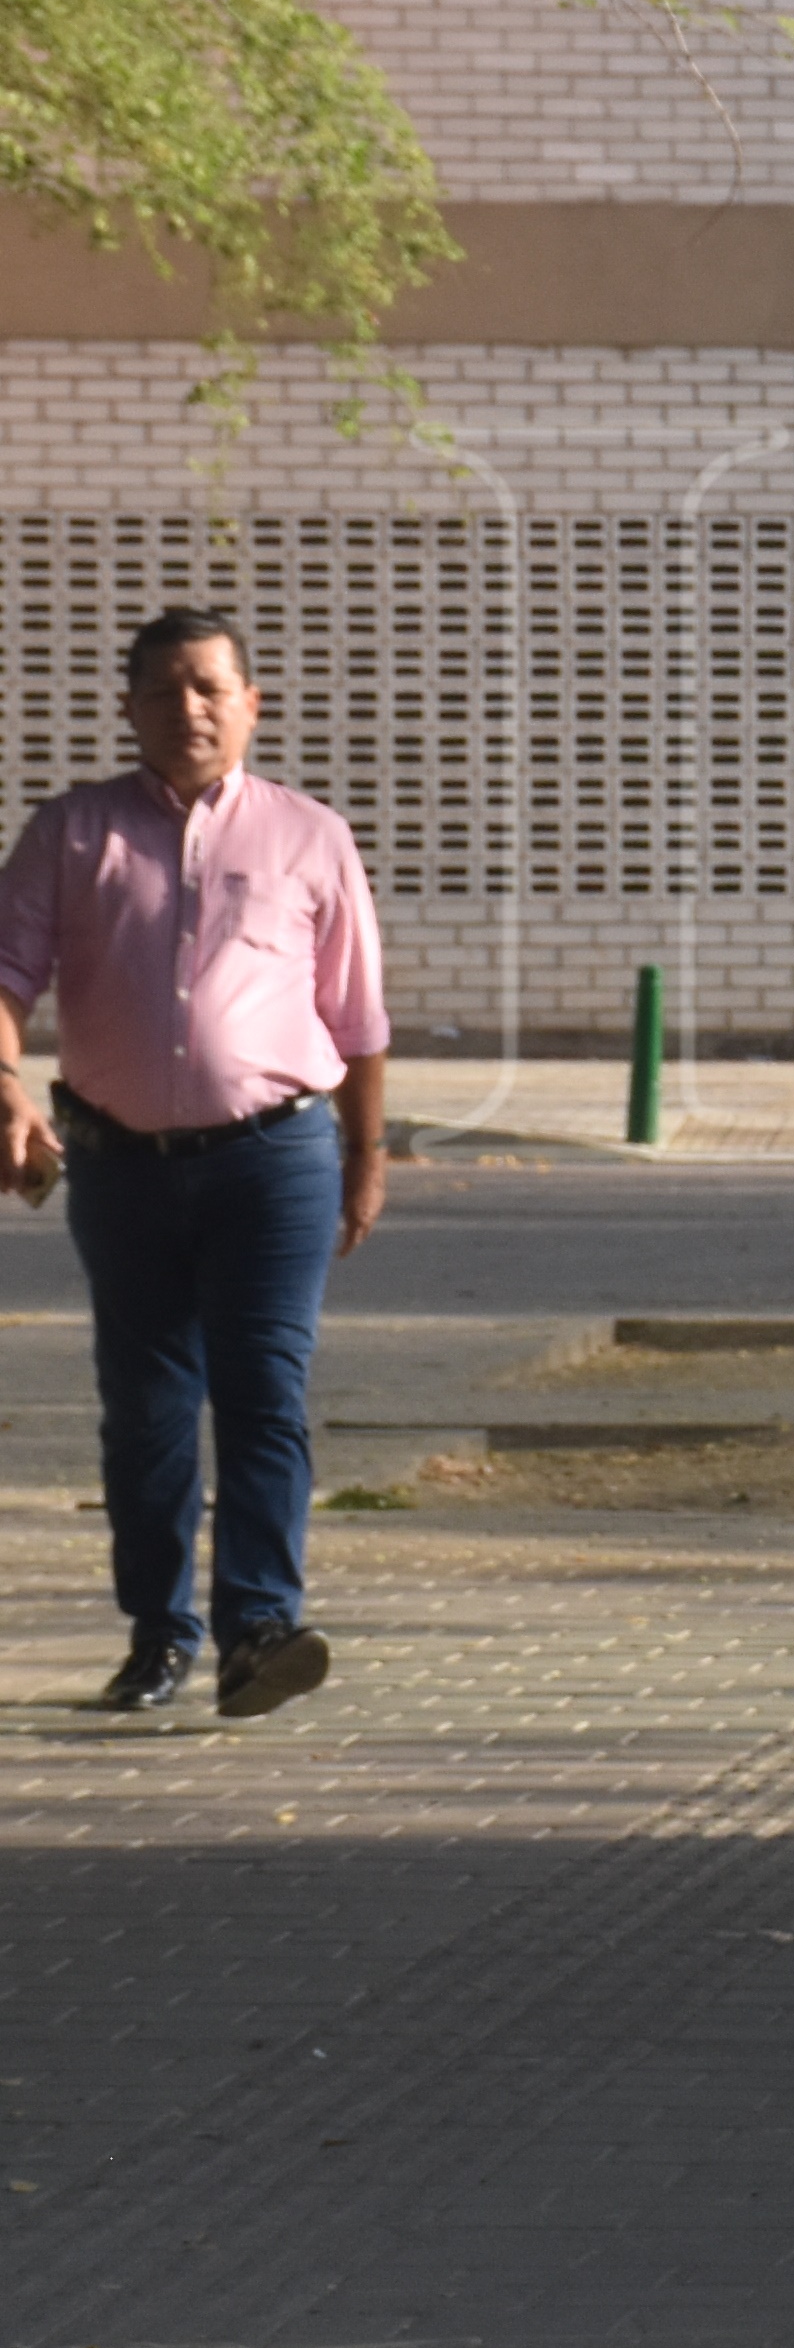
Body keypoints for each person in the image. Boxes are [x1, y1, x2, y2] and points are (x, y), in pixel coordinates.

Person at [0, 610, 392, 1719]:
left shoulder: (312, 836)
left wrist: (365, 1156)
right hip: (119, 1163)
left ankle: (260, 1627)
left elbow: (357, 1020)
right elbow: (7, 974)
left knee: (265, 1386)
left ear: (251, 702)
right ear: (128, 708)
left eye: (211, 688)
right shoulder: (74, 834)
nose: (190, 709)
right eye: (165, 690)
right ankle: (159, 1632)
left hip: (275, 1159)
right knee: (148, 1405)